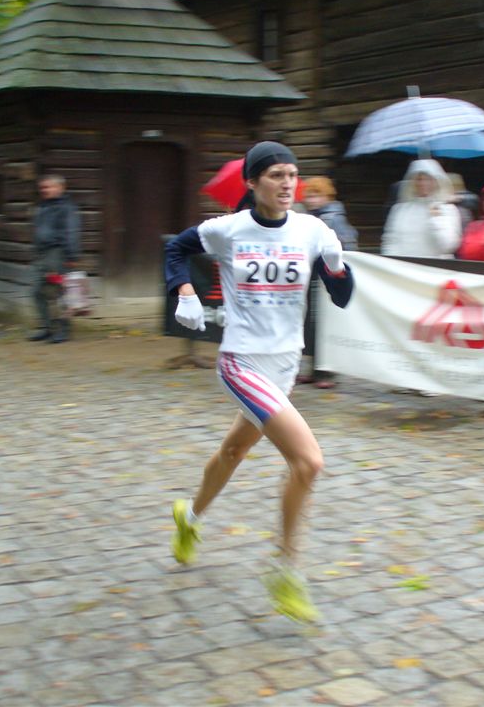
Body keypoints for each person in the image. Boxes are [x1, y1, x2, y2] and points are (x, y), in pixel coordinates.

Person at [164, 141, 355, 623]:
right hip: (242, 361)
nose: (287, 183)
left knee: (233, 451)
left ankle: (189, 517)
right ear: (252, 183)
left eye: (292, 174)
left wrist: (337, 266)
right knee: (308, 462)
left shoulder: (312, 229)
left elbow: (342, 296)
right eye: (275, 175)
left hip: (285, 364)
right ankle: (285, 571)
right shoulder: (228, 229)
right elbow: (177, 247)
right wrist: (183, 290)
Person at [297, 176, 357, 390]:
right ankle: (313, 369)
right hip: (311, 277)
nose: (311, 200)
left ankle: (327, 372)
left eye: (316, 195)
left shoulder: (334, 217)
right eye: (309, 195)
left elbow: (348, 243)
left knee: (326, 325)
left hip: (327, 279)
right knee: (312, 325)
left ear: (327, 196)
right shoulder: (306, 218)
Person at [28, 174, 80, 344]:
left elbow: (72, 232)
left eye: (48, 187)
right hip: (42, 255)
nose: (44, 190)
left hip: (57, 255)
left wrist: (72, 256)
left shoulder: (67, 208)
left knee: (59, 293)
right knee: (37, 291)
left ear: (60, 188)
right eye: (43, 187)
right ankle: (47, 328)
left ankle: (62, 330)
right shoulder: (42, 206)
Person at [381, 159, 461, 258]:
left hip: (433, 266)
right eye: (419, 179)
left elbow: (448, 246)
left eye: (428, 179)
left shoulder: (447, 209)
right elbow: (390, 241)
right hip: (402, 265)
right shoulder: (399, 209)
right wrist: (391, 262)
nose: (423, 183)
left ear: (437, 181)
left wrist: (437, 219)